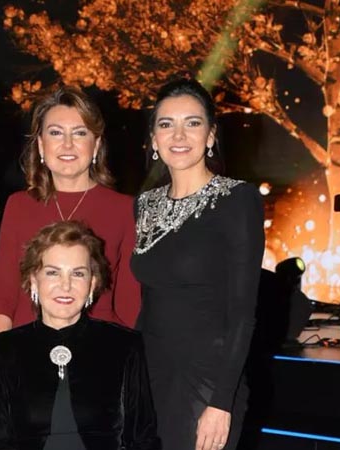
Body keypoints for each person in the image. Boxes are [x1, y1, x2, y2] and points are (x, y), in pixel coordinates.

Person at [131, 78, 265, 450]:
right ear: (154, 139)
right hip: (151, 375)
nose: (179, 135)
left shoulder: (237, 200)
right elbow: (149, 303)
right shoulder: (144, 204)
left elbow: (243, 314)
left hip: (207, 382)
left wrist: (221, 402)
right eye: (166, 124)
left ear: (210, 135)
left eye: (192, 123)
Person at [0, 221, 160, 450]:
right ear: (34, 280)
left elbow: (143, 439)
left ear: (92, 283)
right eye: (52, 273)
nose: (65, 286)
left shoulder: (124, 346)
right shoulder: (2, 350)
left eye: (78, 274)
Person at [0, 86, 140, 334]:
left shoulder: (125, 209)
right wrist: (3, 351)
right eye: (56, 133)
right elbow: (3, 298)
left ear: (96, 145)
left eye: (79, 133)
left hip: (98, 347)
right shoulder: (18, 206)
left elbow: (129, 307)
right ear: (41, 145)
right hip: (26, 347)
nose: (67, 144)